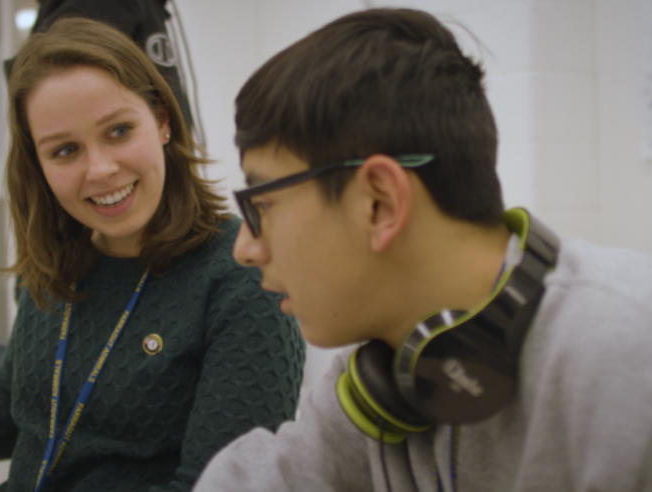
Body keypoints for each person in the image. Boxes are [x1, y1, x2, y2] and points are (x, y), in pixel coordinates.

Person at [192, 8, 652, 492]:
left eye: (262, 203)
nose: (244, 248)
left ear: (379, 203)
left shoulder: (626, 348)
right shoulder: (387, 378)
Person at [0, 17, 305, 492]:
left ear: (162, 120)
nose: (100, 169)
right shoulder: (55, 261)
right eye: (65, 151)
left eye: (119, 131)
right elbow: (16, 405)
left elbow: (223, 486)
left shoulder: (240, 276)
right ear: (38, 165)